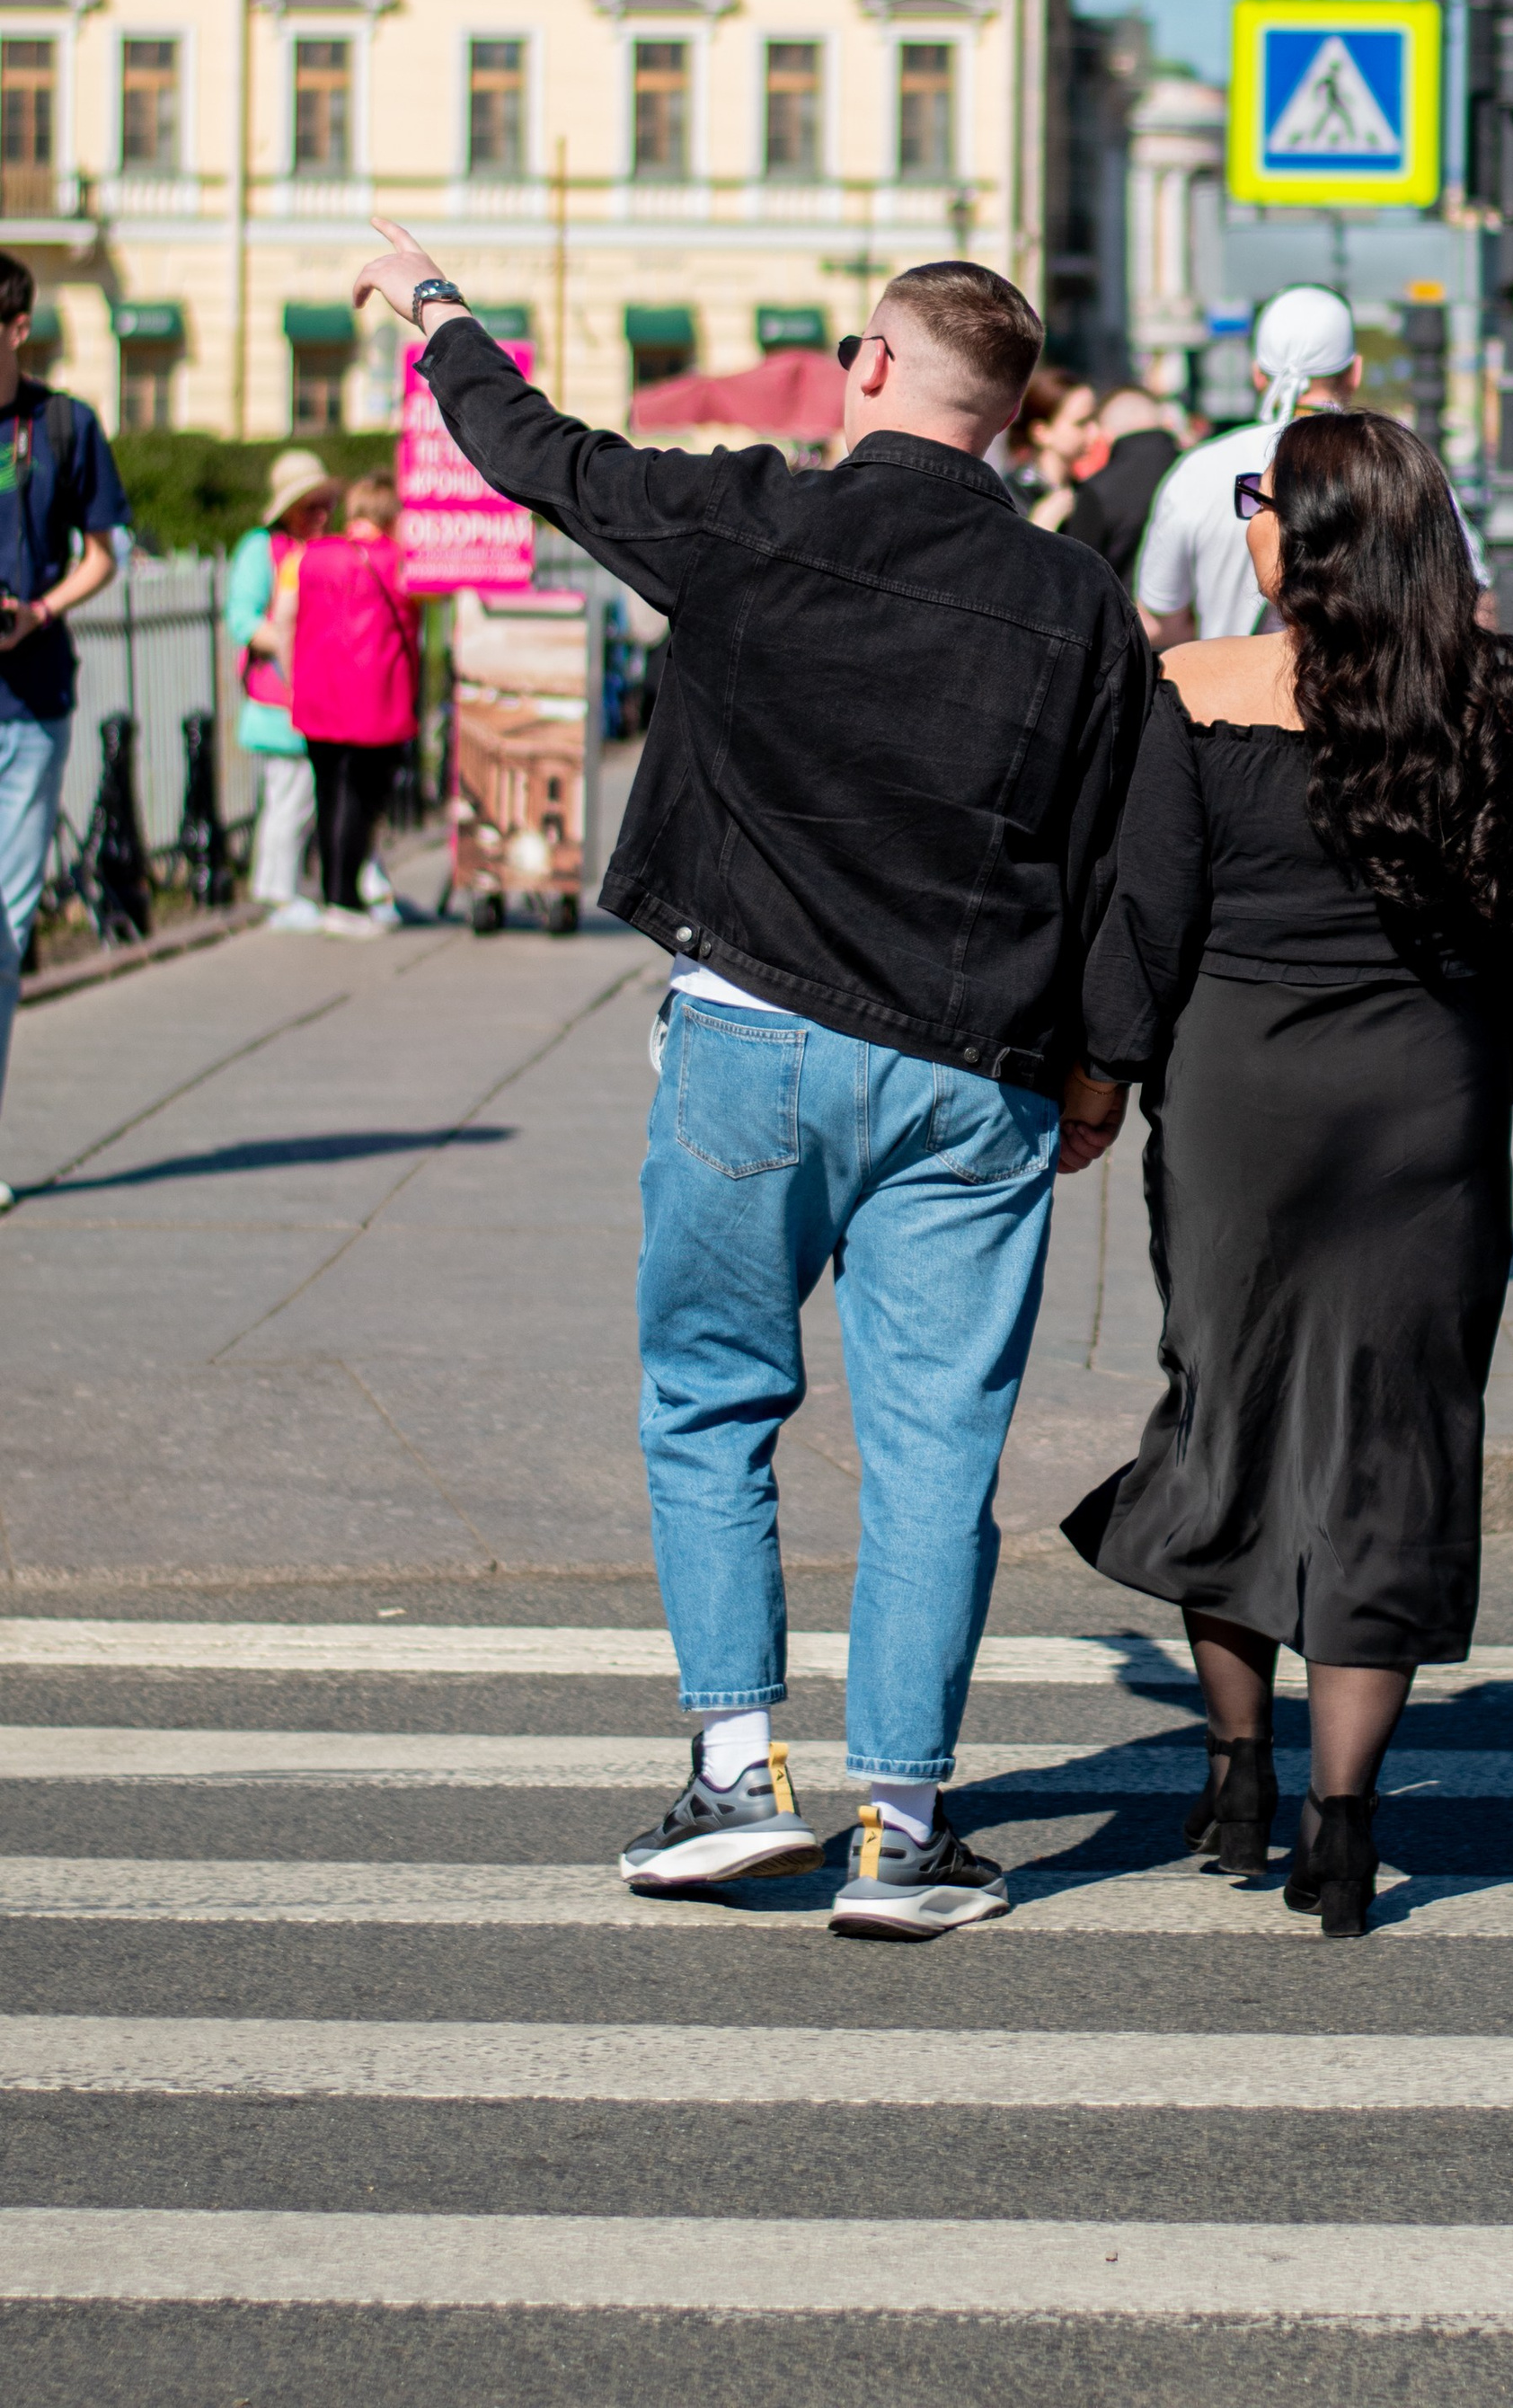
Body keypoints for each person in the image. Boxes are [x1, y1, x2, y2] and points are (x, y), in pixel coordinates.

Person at [351, 218, 1155, 1938]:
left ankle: (735, 1776)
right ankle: (906, 1833)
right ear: (1013, 418)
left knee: (714, 1402)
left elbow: (539, 458)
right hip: (973, 1069)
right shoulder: (1077, 600)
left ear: (869, 369)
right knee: (938, 1450)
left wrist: (440, 315)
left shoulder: (754, 518)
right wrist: (1105, 1074)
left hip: (750, 1037)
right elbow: (1122, 859)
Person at [1062, 412, 1513, 1938]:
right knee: (1392, 1443)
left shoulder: (1197, 693)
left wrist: (1098, 1087)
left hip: (1239, 1104)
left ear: (1310, 539)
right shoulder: (1502, 714)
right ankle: (1343, 1826)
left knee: (1228, 1413)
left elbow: (1146, 922)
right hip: (1427, 1109)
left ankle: (1238, 1773)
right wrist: (1510, 1074)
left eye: (1263, 497)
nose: (1250, 518)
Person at [0, 258, 128, 1204]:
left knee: (7, 928)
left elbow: (103, 552)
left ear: (17, 328)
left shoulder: (63, 426)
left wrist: (39, 611)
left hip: (33, 703)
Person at [1135, 286, 1360, 647]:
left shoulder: (1199, 470)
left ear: (1257, 374)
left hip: (1220, 680)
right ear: (1354, 372)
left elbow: (1161, 617)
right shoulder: (1397, 465)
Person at [286, 474, 420, 939]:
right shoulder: (400, 563)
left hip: (318, 695)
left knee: (328, 795)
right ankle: (345, 901)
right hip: (375, 698)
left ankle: (333, 894)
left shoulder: (309, 557)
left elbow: (286, 618)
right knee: (361, 801)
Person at [226, 450, 335, 929]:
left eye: (325, 504)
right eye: (311, 506)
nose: (322, 515)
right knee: (288, 797)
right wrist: (296, 646)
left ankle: (284, 887)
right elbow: (243, 619)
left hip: (315, 694)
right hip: (279, 696)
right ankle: (278, 894)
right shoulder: (260, 549)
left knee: (301, 798)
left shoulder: (317, 547)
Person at [1063, 385, 1178, 591]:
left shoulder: (1097, 491)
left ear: (1106, 434)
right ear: (1165, 422)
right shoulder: (1198, 472)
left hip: (1124, 608)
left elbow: (1076, 580)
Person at [1010, 365, 1097, 530]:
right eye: (1081, 423)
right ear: (1041, 432)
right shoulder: (1013, 494)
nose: (1094, 432)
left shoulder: (1086, 494)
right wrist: (1043, 524)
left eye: (1095, 420)